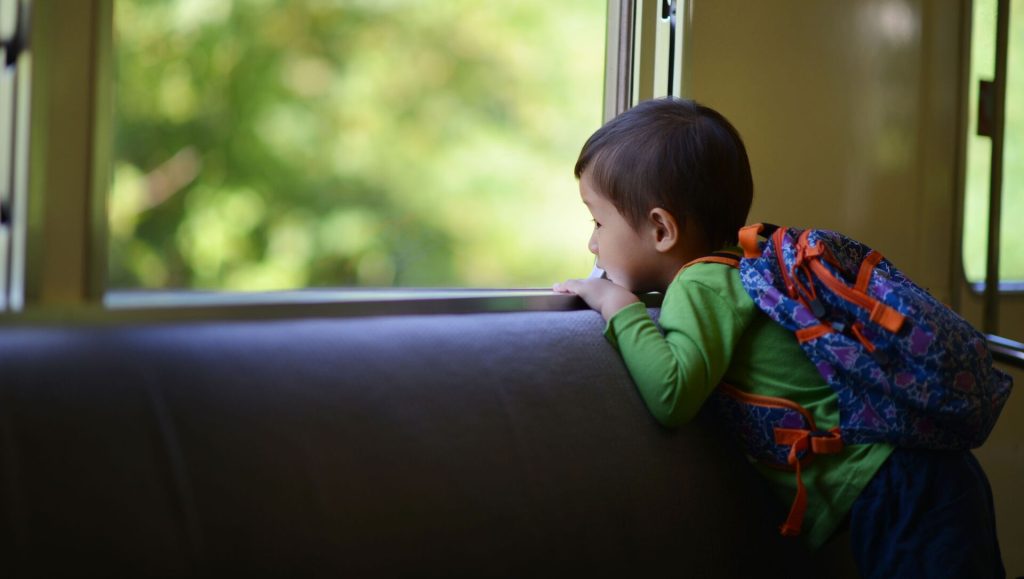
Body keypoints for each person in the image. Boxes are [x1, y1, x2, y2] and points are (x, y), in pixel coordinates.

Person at [554, 96, 1004, 578]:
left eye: (598, 221)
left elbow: (672, 394)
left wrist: (617, 305)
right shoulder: (742, 266)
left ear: (662, 229)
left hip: (899, 485)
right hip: (919, 475)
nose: (593, 242)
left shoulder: (700, 284)